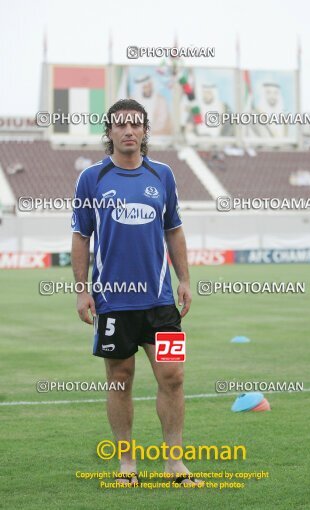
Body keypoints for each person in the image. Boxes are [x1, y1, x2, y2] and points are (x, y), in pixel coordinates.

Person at [71, 99, 200, 487]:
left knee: (173, 376)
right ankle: (127, 463)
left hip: (161, 302)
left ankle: (174, 463)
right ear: (109, 132)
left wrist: (185, 279)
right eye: (121, 125)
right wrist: (81, 291)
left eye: (136, 125)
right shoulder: (92, 179)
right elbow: (80, 236)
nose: (129, 131)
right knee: (120, 378)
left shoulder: (163, 175)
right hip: (114, 302)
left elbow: (173, 229)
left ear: (145, 132)